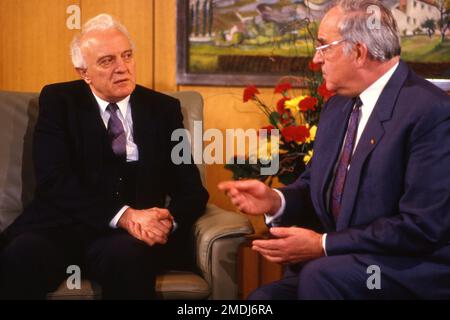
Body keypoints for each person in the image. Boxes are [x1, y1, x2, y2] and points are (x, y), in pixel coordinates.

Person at [219, 0, 450, 299]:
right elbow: (315, 183)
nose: (316, 60)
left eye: (324, 47)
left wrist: (323, 245)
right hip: (344, 263)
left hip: (406, 269)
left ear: (358, 52)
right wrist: (276, 201)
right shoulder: (338, 106)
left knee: (321, 275)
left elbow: (422, 226)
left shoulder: (431, 112)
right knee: (261, 300)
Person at [0, 13, 208, 299]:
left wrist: (165, 222)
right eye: (107, 61)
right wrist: (123, 215)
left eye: (127, 56)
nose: (122, 68)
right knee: (21, 255)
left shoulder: (163, 110)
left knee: (128, 259)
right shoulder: (58, 102)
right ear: (83, 72)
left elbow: (192, 190)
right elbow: (53, 181)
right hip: (60, 227)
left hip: (127, 239)